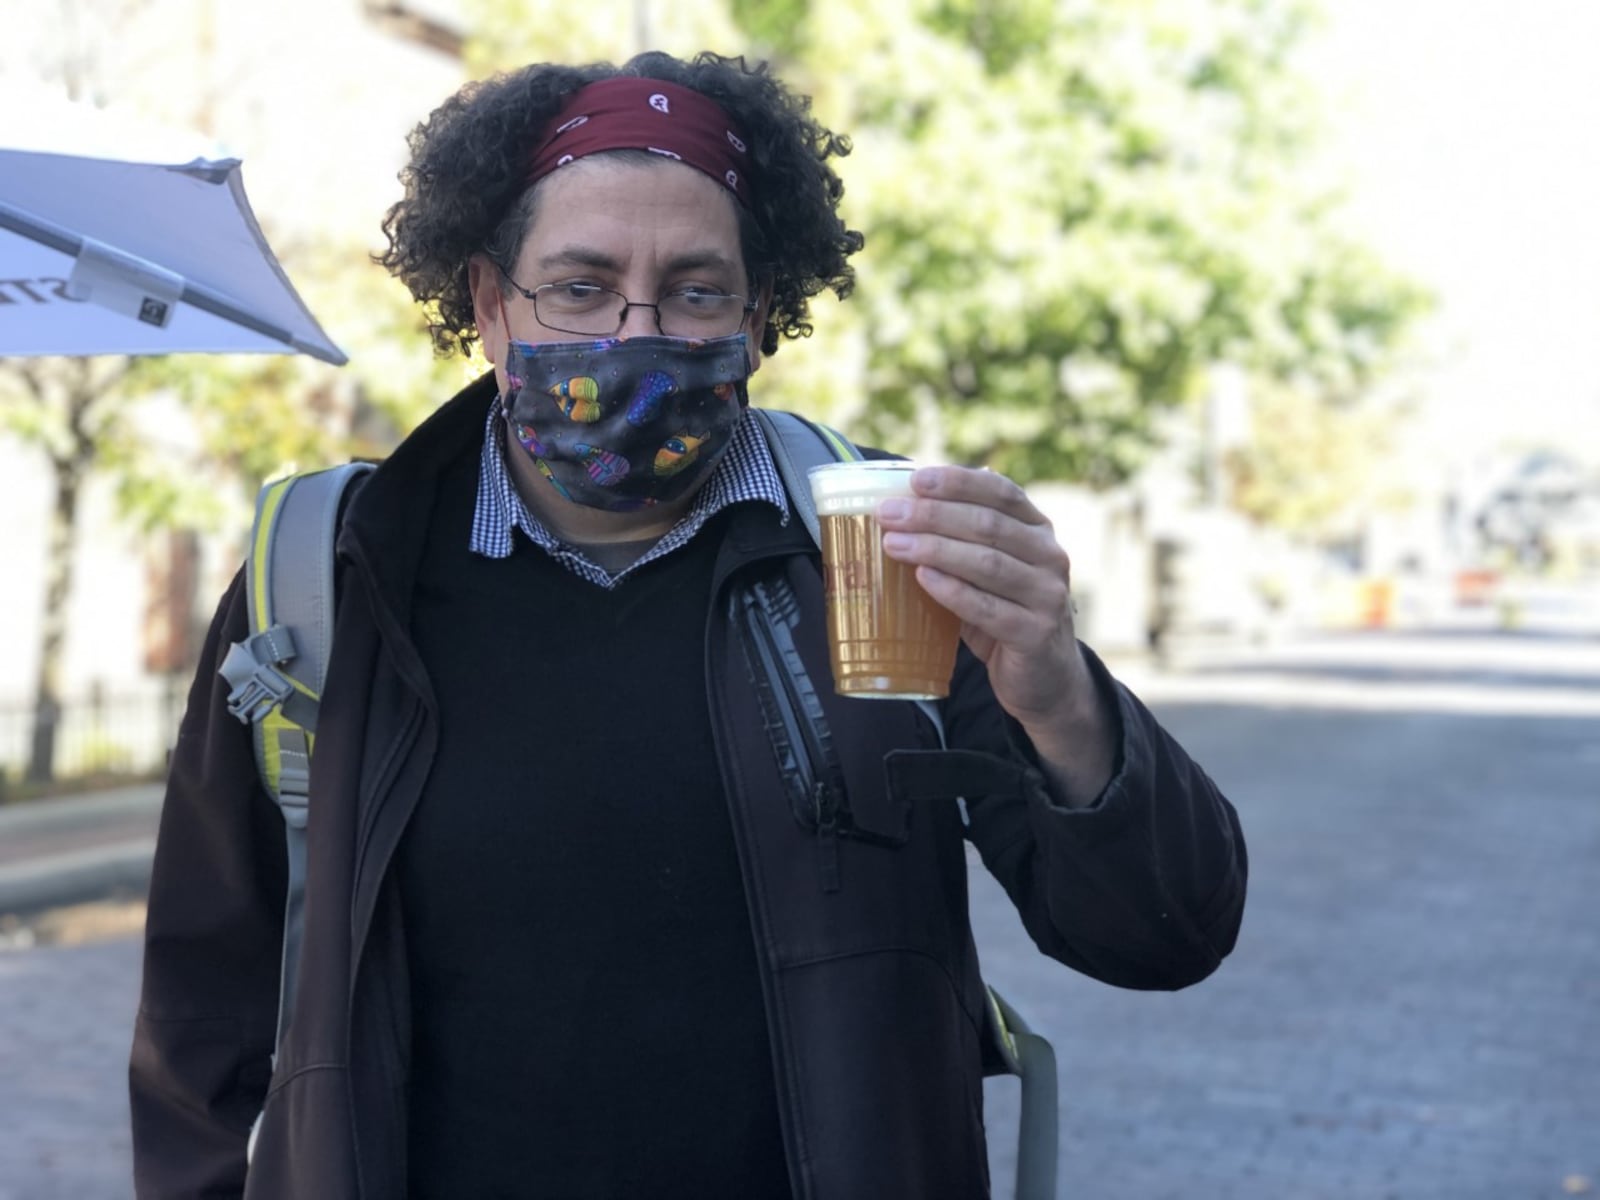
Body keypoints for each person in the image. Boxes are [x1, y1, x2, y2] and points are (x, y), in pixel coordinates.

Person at [129, 50, 1247, 1200]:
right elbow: (198, 1014)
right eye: (580, 284)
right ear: (489, 303)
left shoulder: (880, 560)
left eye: (696, 289)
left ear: (760, 315)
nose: (637, 329)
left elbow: (1162, 932)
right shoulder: (329, 579)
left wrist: (1057, 697)